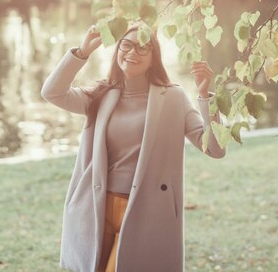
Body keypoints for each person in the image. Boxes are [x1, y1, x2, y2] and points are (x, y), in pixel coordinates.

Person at [41, 23, 226, 272]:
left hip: (146, 210)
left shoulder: (173, 98)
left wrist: (205, 97)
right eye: (126, 45)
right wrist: (81, 53)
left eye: (142, 47)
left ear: (154, 57)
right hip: (96, 206)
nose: (132, 52)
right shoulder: (100, 94)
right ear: (117, 50)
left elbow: (215, 148)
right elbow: (52, 93)